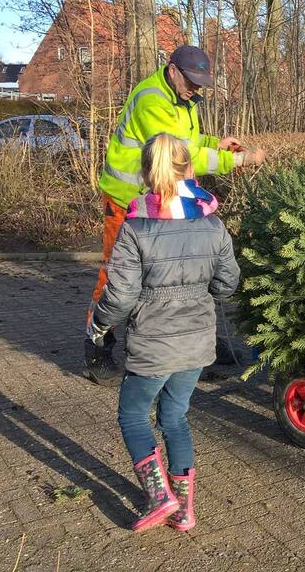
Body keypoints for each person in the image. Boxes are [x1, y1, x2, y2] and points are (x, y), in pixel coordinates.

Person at [84, 45, 264, 386]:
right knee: (116, 275)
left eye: (200, 82)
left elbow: (188, 141)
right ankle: (97, 348)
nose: (195, 88)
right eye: (191, 80)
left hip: (165, 196)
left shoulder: (182, 99)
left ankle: (188, 341)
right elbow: (181, 155)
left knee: (180, 268)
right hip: (128, 199)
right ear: (172, 71)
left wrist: (215, 142)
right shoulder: (152, 100)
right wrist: (237, 160)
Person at [86, 133, 240, 531]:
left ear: (146, 173)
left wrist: (98, 326)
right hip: (196, 342)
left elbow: (120, 296)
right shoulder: (212, 222)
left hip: (153, 344)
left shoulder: (136, 226)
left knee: (133, 415)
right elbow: (227, 284)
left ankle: (160, 497)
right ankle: (184, 510)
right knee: (174, 417)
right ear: (188, 169)